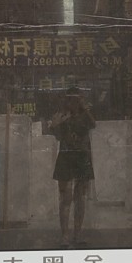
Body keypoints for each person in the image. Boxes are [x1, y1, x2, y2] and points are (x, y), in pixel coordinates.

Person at [49, 87, 96, 247]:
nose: (73, 102)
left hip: (81, 156)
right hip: (67, 156)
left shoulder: (85, 115)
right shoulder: (62, 115)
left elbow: (92, 124)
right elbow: (56, 135)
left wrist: (84, 109)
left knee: (80, 197)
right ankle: (65, 235)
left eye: (77, 99)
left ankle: (77, 234)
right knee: (66, 198)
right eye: (71, 99)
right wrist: (57, 124)